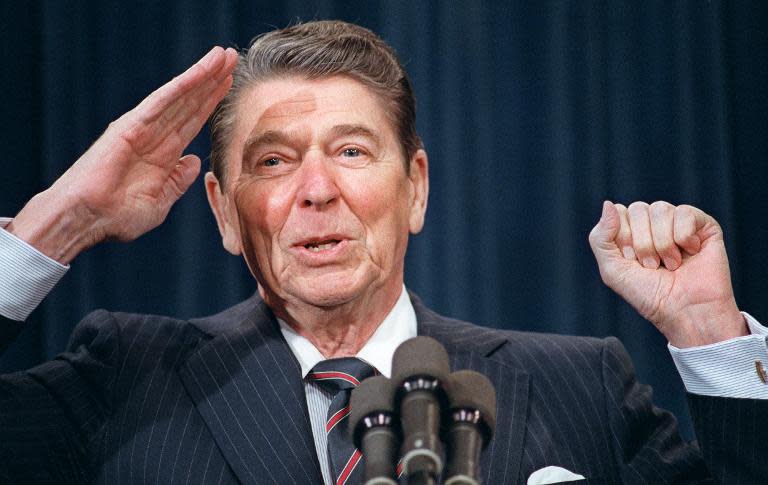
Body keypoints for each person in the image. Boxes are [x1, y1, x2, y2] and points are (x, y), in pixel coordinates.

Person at [0, 20, 766, 485]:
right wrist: (58, 221)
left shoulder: (580, 384)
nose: (316, 189)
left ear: (417, 189)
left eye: (353, 150)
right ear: (225, 214)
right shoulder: (124, 379)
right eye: (272, 161)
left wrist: (712, 335)